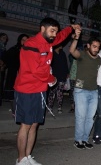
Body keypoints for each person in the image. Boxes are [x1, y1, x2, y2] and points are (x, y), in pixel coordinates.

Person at [14, 17, 79, 165]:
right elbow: (35, 70)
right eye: (52, 31)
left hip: (40, 90)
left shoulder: (49, 41)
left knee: (35, 124)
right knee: (26, 124)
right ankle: (20, 159)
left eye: (55, 31)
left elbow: (62, 36)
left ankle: (28, 156)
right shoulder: (31, 44)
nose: (54, 34)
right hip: (27, 90)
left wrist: (71, 27)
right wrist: (52, 79)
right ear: (42, 29)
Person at [70, 33, 101, 150]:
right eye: (94, 46)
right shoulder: (82, 55)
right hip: (81, 90)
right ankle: (77, 140)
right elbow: (72, 50)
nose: (96, 49)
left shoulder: (99, 60)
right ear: (88, 46)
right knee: (81, 116)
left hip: (94, 91)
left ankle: (85, 139)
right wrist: (76, 38)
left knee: (90, 117)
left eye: (98, 47)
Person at [2, 34, 29, 115]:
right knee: (13, 93)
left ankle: (20, 109)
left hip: (25, 74)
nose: (25, 42)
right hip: (14, 73)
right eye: (23, 40)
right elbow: (6, 58)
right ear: (19, 40)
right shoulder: (14, 49)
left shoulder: (29, 50)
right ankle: (14, 110)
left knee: (23, 94)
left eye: (26, 40)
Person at [48, 44, 69, 114]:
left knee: (60, 93)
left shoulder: (62, 53)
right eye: (60, 43)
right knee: (52, 93)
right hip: (53, 77)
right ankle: (50, 107)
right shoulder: (52, 53)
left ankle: (59, 107)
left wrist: (67, 73)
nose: (62, 45)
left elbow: (65, 64)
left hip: (62, 76)